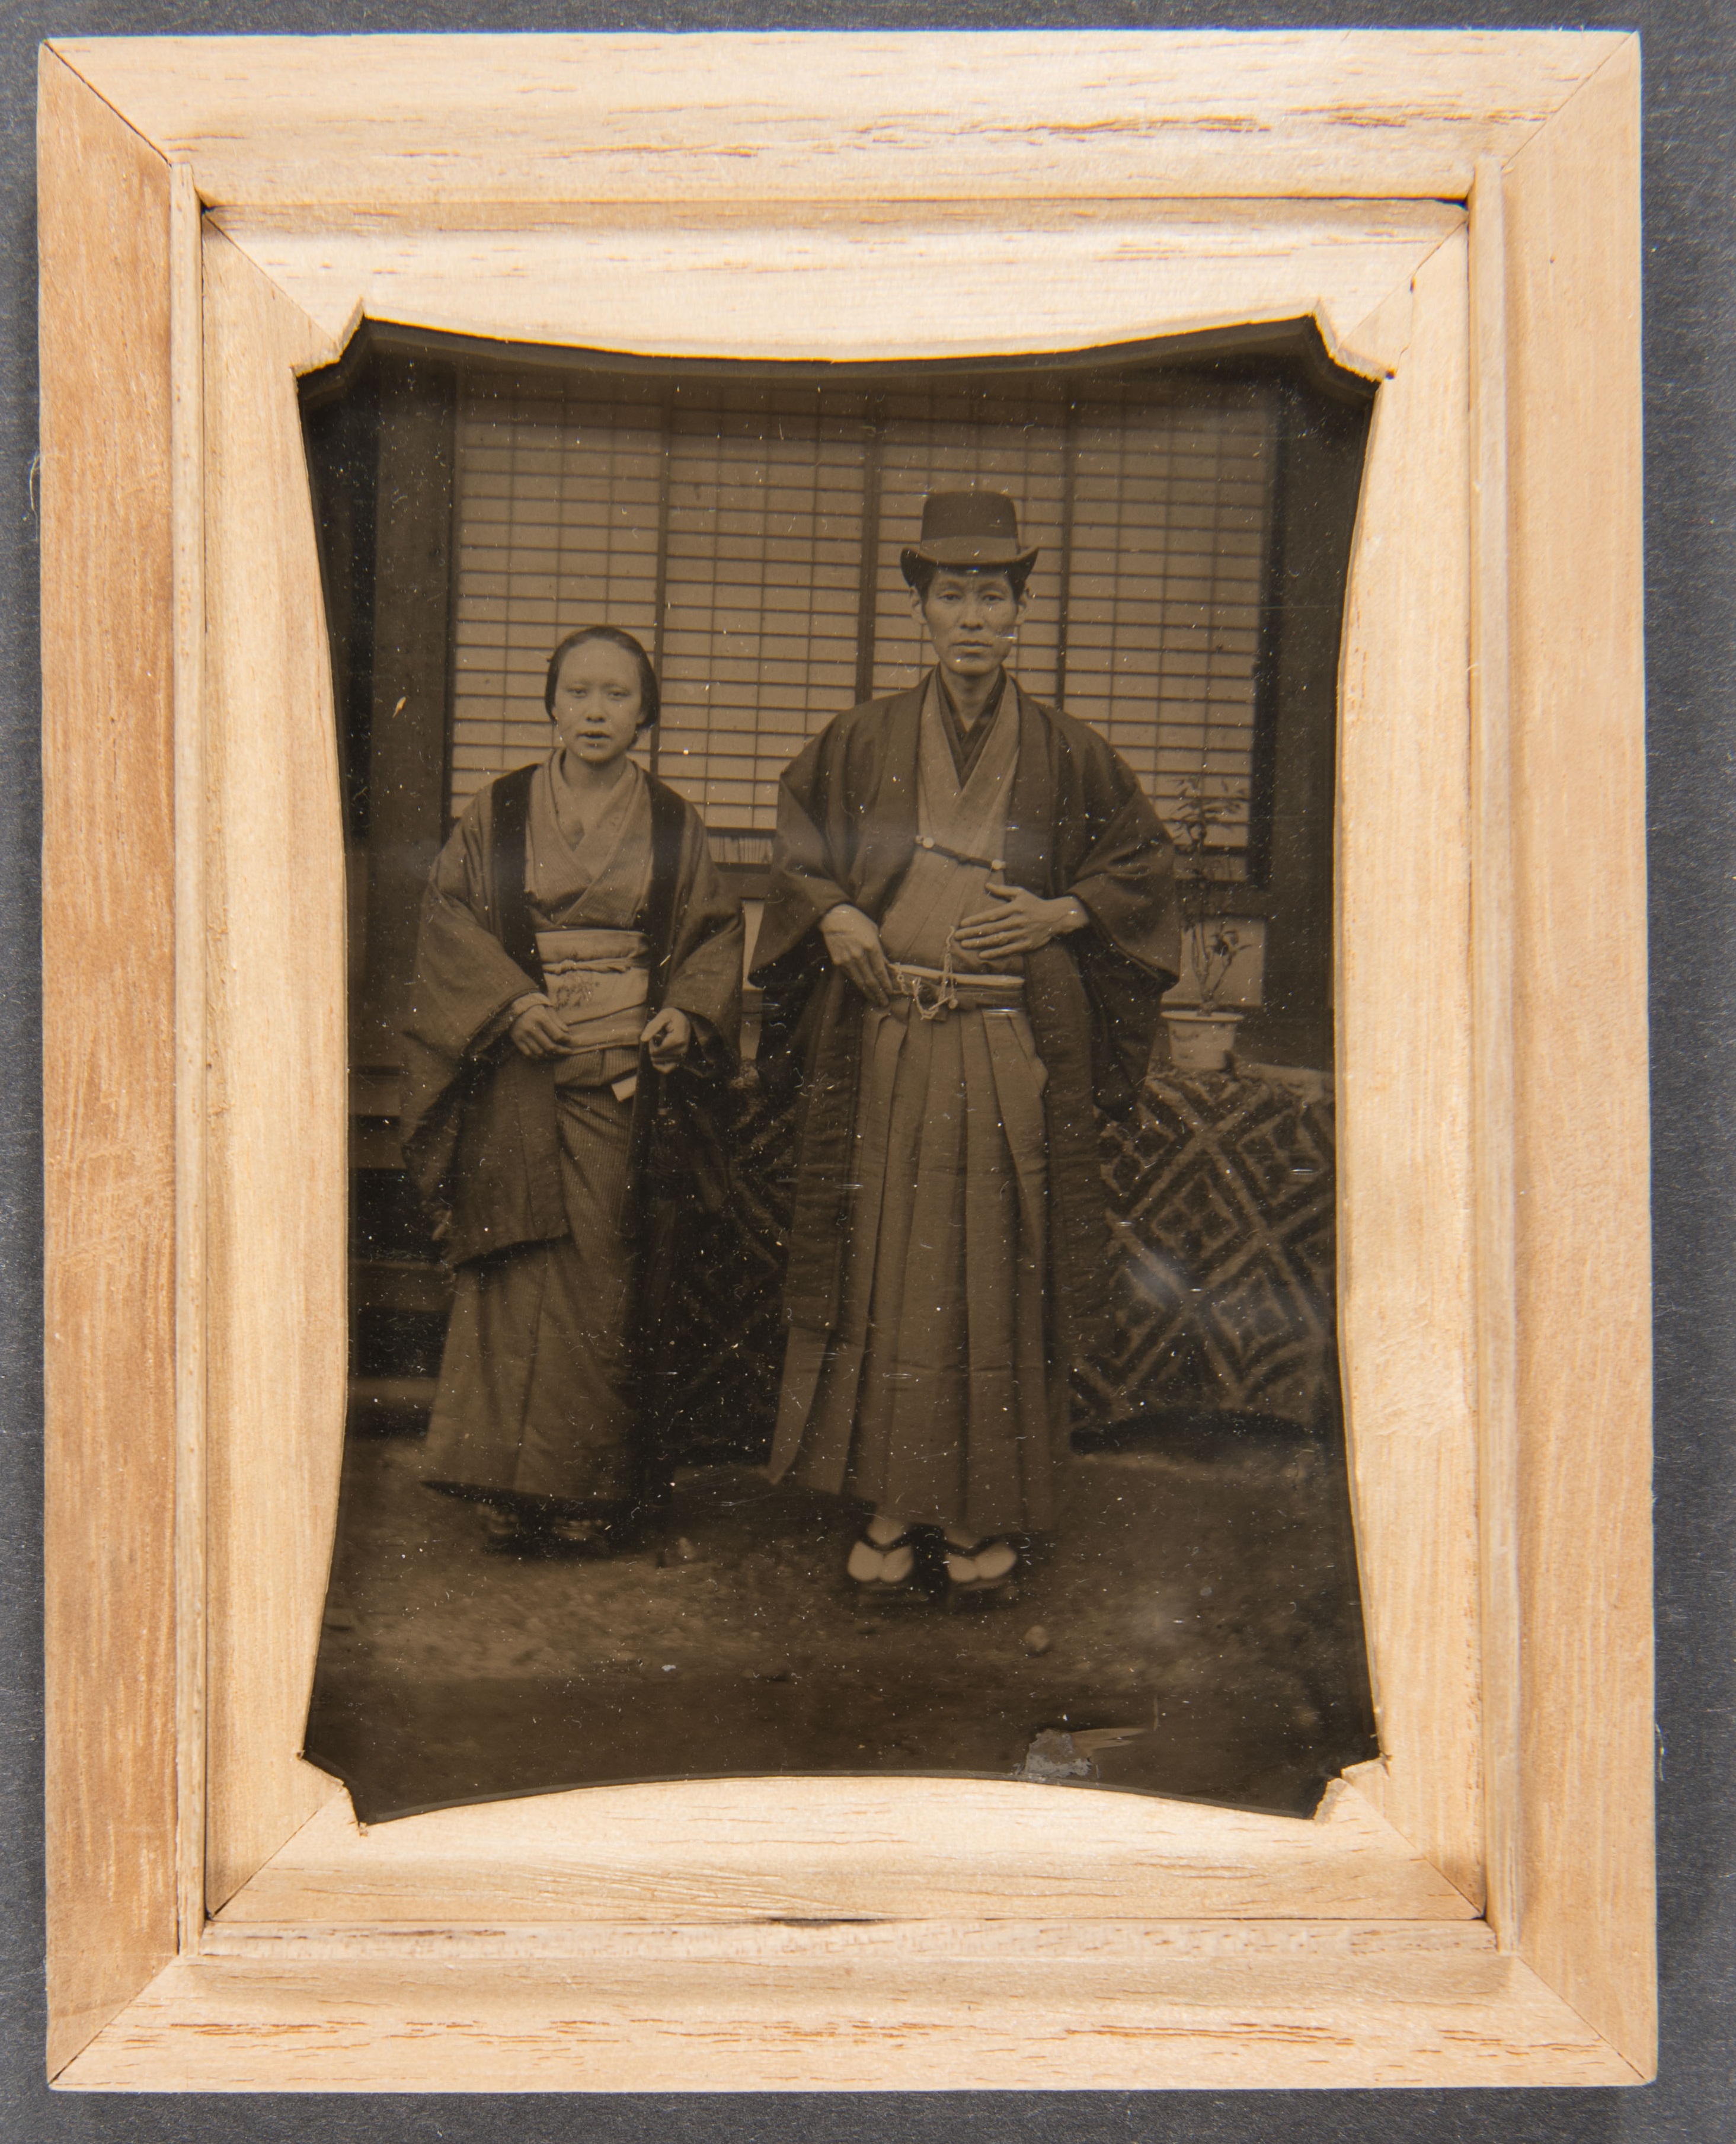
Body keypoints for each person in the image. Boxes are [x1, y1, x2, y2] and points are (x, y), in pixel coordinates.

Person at [752, 491, 1181, 1599]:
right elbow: (799, 854)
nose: (974, 617)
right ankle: (892, 1506)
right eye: (952, 594)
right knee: (891, 1270)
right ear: (920, 608)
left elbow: (1140, 868)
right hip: (891, 1041)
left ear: (1023, 609)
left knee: (993, 1277)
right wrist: (838, 915)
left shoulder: (1071, 753)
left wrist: (1061, 914)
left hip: (1005, 1045)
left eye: (995, 594)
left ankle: (984, 1507)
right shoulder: (859, 741)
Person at [400, 625, 743, 1554]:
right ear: (550, 704)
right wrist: (510, 1001)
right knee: (510, 1276)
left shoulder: (673, 823)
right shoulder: (499, 810)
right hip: (519, 1073)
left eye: (617, 694)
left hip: (615, 1081)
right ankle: (502, 1485)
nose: (596, 711)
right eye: (579, 692)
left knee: (602, 1287)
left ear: (646, 711)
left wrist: (686, 1014)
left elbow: (713, 935)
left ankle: (587, 1488)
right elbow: (447, 917)